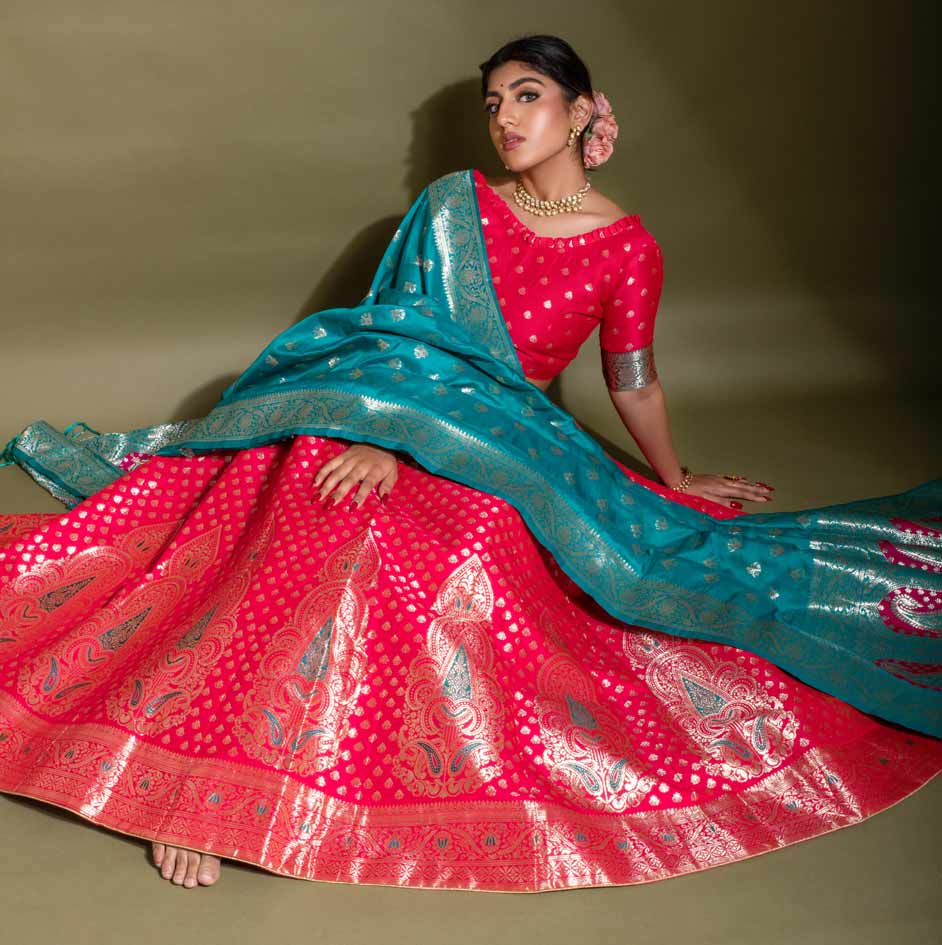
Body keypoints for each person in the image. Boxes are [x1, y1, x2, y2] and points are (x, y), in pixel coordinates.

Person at [0, 34, 939, 893]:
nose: (505, 120)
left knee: (455, 546)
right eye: (494, 103)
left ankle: (241, 777)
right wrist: (378, 432)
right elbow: (390, 337)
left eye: (527, 96)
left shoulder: (628, 247)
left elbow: (633, 379)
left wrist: (674, 475)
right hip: (382, 409)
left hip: (507, 438)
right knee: (314, 498)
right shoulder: (452, 207)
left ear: (583, 110)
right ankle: (194, 768)